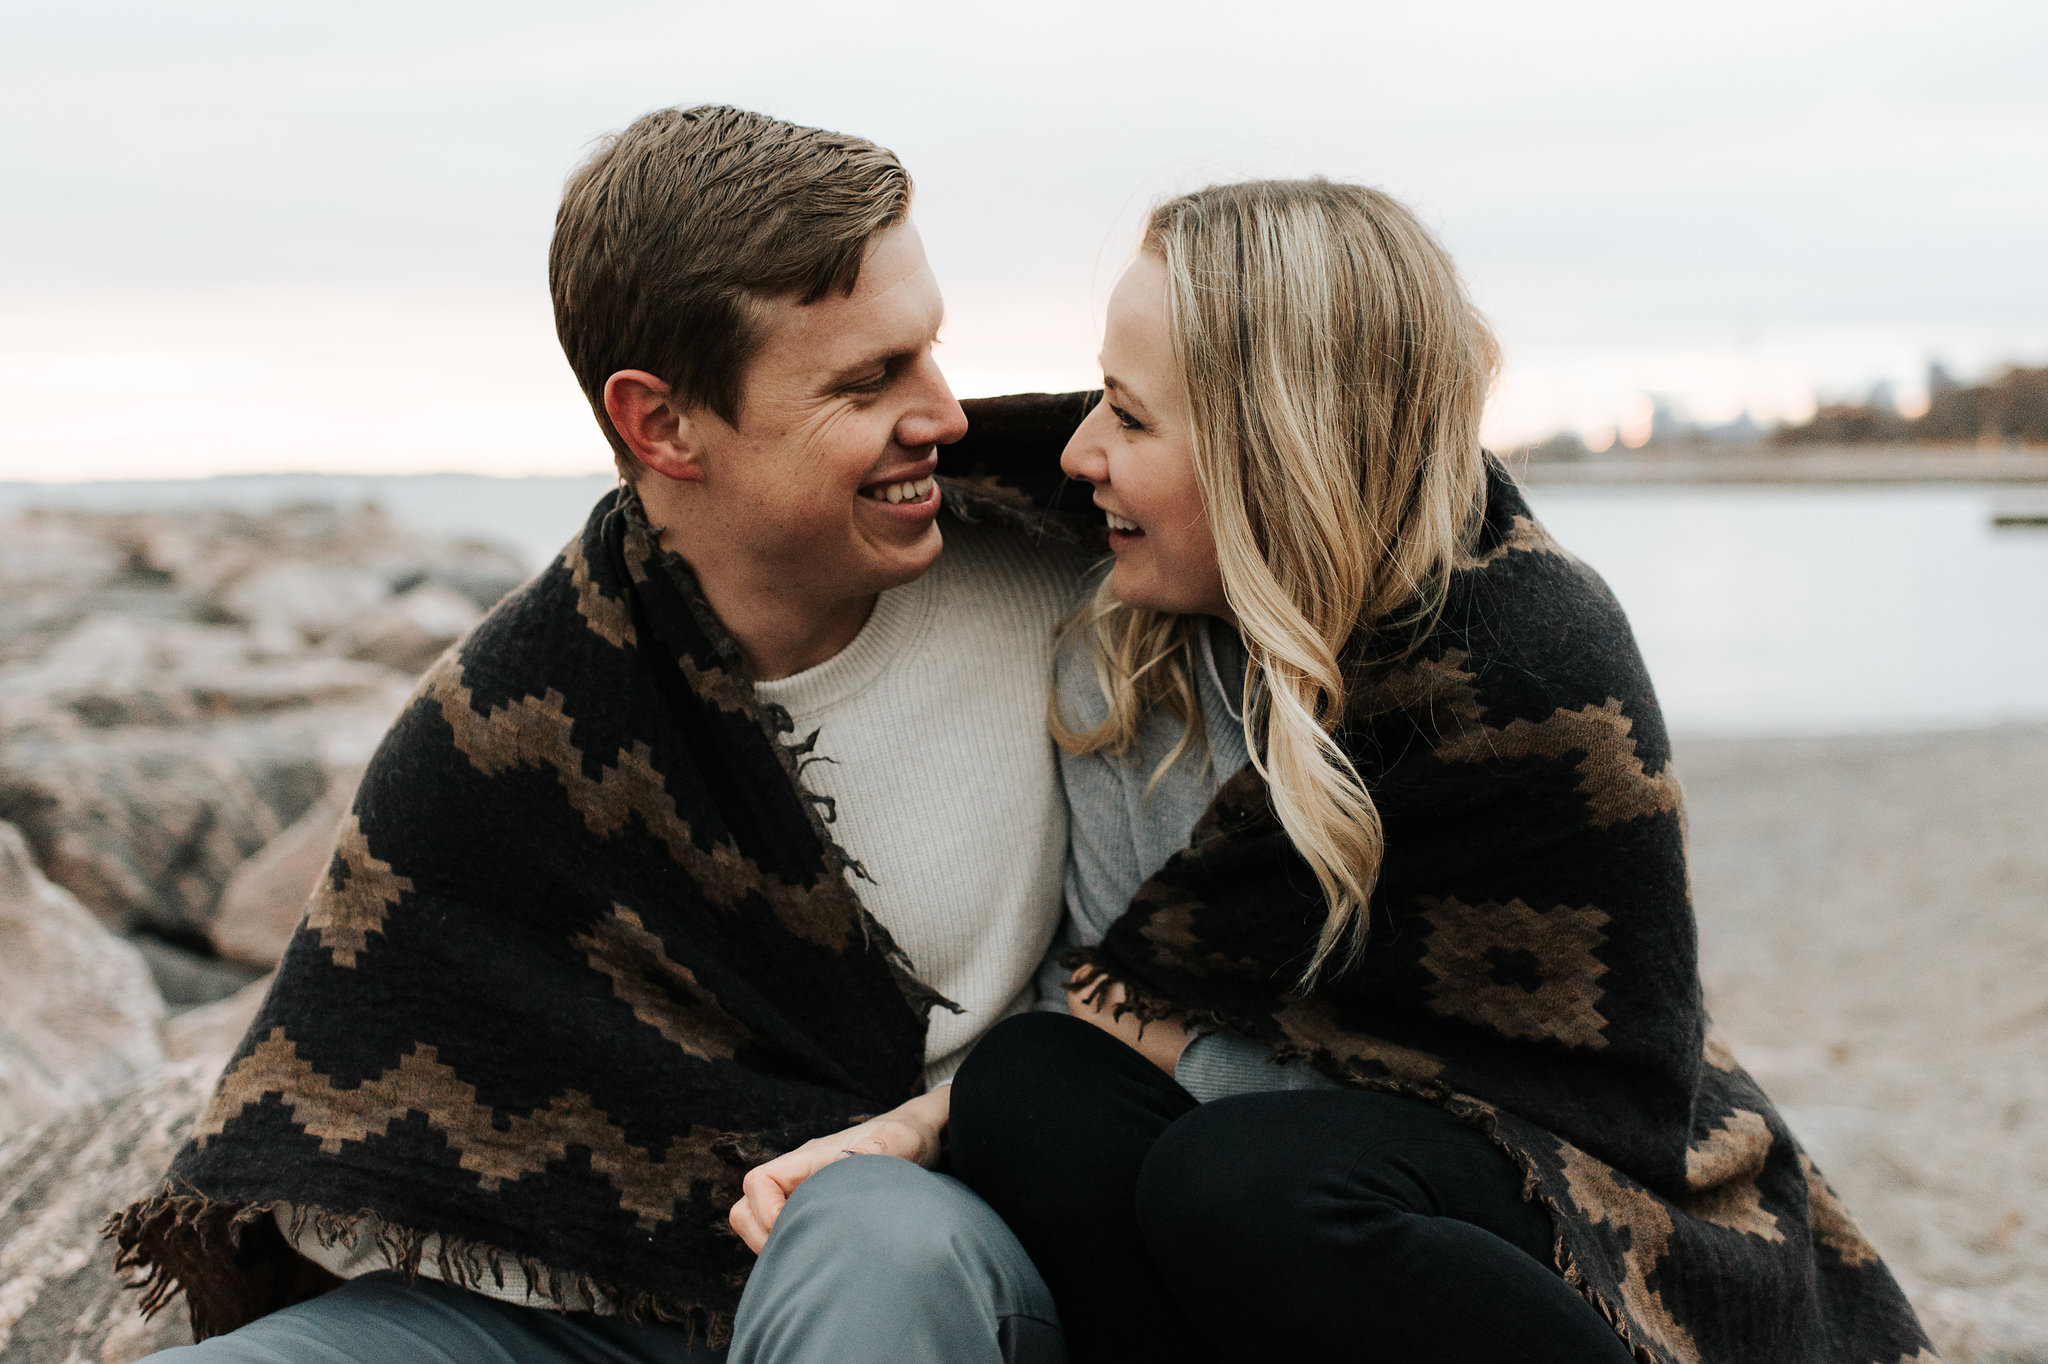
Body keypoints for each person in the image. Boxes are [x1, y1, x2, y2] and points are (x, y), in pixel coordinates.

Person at [111, 106, 1090, 1364]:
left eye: (928, 350)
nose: (945, 414)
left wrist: (925, 1128)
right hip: (568, 1310)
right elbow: (372, 1106)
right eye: (866, 380)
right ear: (662, 424)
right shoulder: (517, 718)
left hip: (924, 1239)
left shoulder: (1074, 588)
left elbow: (1192, 980)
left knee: (866, 1233)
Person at [946, 180, 1934, 1363]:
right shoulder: (1125, 662)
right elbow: (1111, 1008)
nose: (1076, 452)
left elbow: (1585, 1093)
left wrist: (1181, 1042)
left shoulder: (1528, 665)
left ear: (1277, 446)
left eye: (1128, 414)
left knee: (1250, 1179)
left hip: (1586, 1195)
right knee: (1026, 1089)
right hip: (1298, 1192)